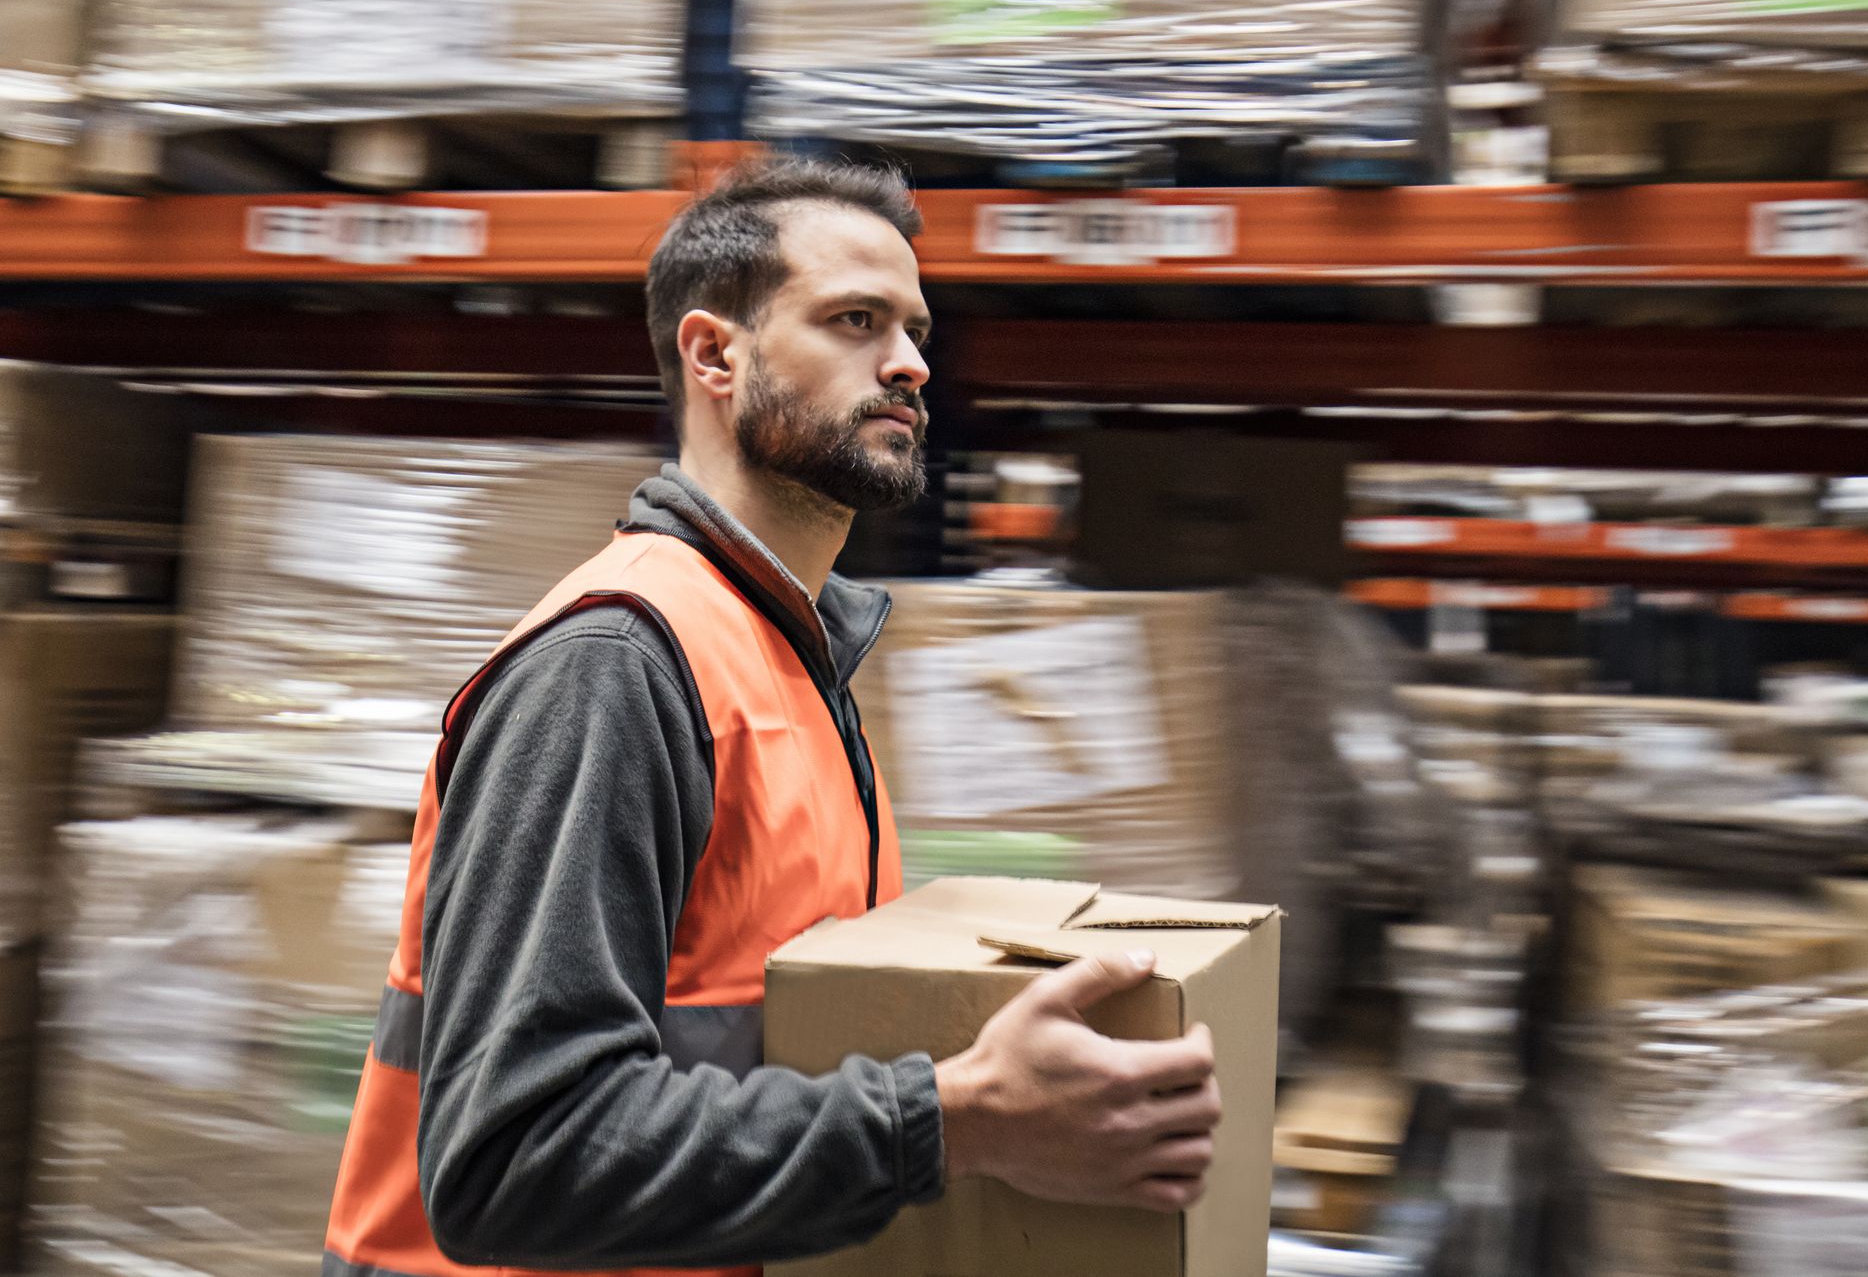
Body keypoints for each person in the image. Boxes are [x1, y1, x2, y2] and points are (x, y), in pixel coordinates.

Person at [321, 157, 1222, 1277]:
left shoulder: (797, 661)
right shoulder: (616, 667)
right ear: (714, 355)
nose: (910, 363)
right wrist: (961, 1118)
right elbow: (512, 1158)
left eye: (915, 328)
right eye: (856, 319)